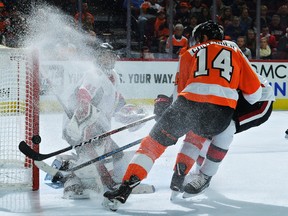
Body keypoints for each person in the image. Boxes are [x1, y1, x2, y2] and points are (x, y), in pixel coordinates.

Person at [103, 21, 262, 209]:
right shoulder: (235, 50)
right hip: (221, 115)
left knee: (152, 145)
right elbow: (254, 95)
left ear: (202, 37)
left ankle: (124, 189)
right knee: (197, 134)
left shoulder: (188, 53)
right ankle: (180, 177)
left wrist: (166, 109)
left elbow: (179, 94)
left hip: (190, 104)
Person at [57, 43, 146, 199]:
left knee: (117, 156)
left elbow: (118, 106)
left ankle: (70, 164)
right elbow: (83, 95)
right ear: (98, 58)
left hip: (99, 132)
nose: (109, 59)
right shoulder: (94, 74)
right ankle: (71, 180)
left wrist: (132, 117)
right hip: (80, 130)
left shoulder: (113, 76)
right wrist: (78, 123)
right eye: (105, 56)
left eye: (111, 56)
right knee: (95, 163)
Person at [170, 73, 275, 198]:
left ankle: (205, 176)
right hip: (229, 96)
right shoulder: (197, 60)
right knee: (202, 127)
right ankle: (197, 173)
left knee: (226, 128)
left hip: (257, 100)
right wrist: (171, 104)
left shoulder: (219, 60)